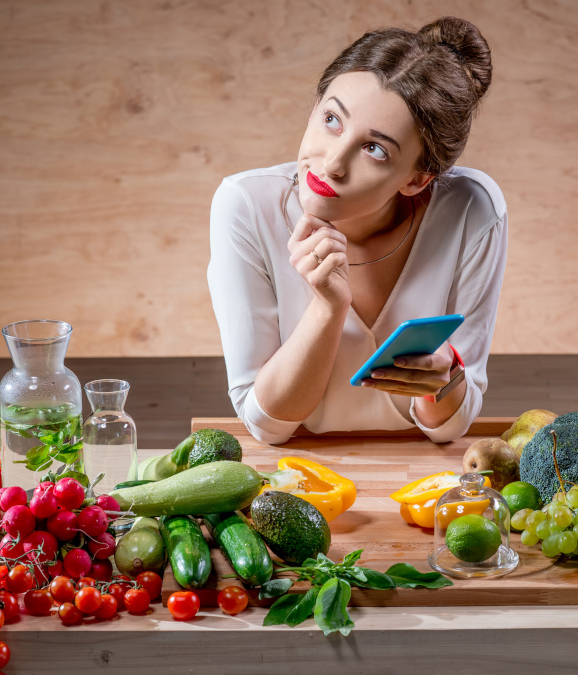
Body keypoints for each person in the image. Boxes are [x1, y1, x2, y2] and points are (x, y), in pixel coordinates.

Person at [208, 16, 506, 444]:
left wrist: (446, 375)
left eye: (374, 149)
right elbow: (266, 423)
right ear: (315, 107)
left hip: (419, 473)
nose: (332, 163)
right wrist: (329, 307)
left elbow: (452, 427)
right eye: (332, 119)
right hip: (297, 473)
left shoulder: (473, 210)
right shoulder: (245, 205)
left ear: (418, 179)